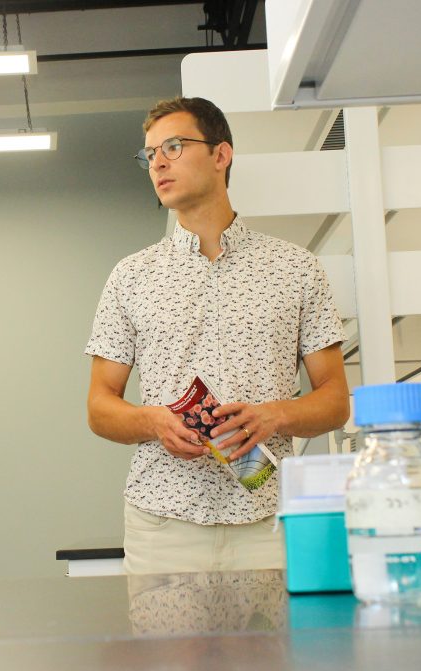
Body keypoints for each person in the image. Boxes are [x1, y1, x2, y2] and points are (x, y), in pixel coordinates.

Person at [85, 97, 349, 575]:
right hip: (162, 524)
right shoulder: (130, 276)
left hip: (268, 523)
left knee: (269, 654)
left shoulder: (296, 269)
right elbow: (100, 407)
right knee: (168, 653)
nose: (158, 162)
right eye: (149, 153)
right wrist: (154, 422)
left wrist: (274, 416)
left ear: (221, 155)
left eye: (174, 146)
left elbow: (335, 401)